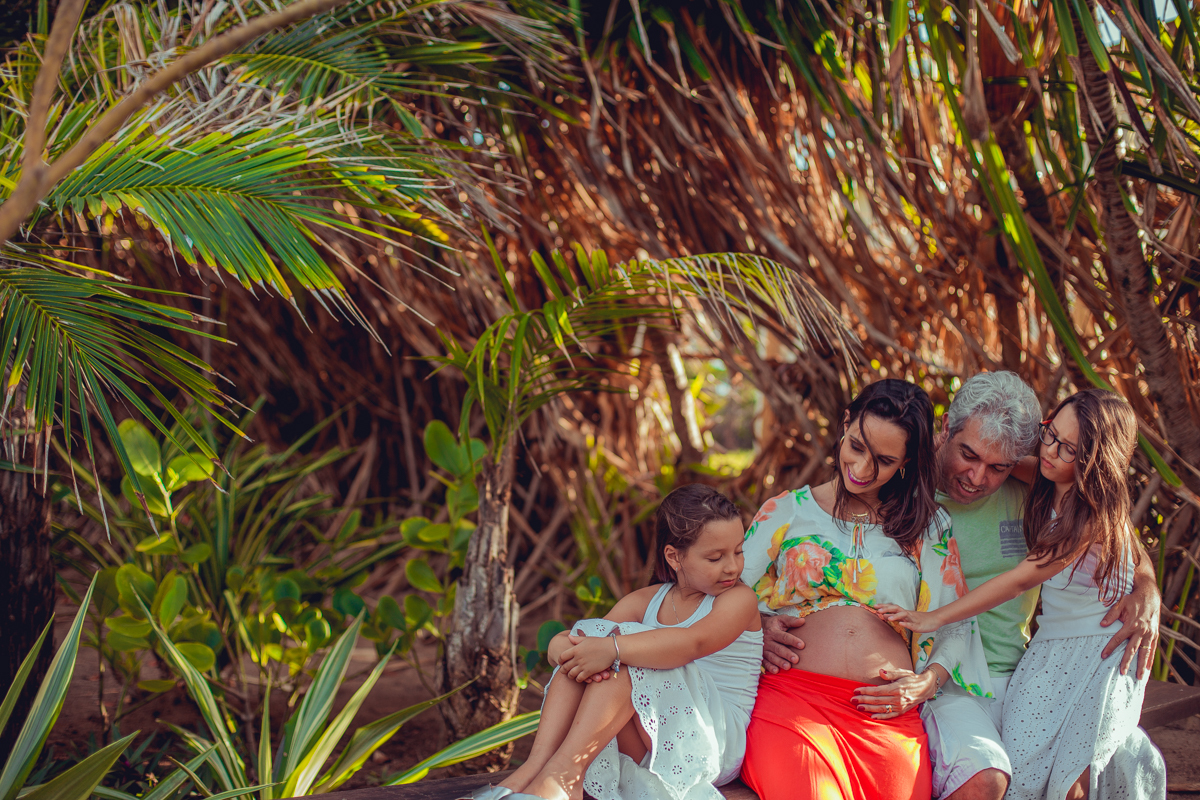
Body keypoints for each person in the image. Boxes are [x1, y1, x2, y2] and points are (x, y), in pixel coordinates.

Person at [760, 371, 1162, 800]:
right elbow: (812, 547)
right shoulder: (897, 481)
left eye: (998, 467)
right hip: (931, 679)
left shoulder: (1037, 484)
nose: (977, 477)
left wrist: (1146, 586)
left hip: (1016, 676)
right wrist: (764, 622)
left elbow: (1106, 520)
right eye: (967, 455)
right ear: (946, 426)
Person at [880, 389, 1167, 800]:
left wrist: (1148, 588)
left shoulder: (1082, 506)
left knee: (1071, 779)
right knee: (1026, 772)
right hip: (1041, 653)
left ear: (1092, 462)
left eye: (1069, 449)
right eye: (1050, 435)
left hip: (1099, 649)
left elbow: (1022, 579)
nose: (1050, 452)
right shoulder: (1044, 474)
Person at [737, 379, 992, 800]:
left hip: (887, 715)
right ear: (846, 423)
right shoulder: (785, 512)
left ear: (906, 462)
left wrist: (926, 683)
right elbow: (724, 594)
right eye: (857, 446)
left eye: (885, 460)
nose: (862, 469)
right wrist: (758, 626)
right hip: (793, 701)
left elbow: (955, 622)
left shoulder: (928, 528)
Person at [459, 484, 762, 800]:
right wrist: (561, 648)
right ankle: (535, 768)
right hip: (648, 737)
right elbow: (585, 639)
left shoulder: (738, 599)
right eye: (716, 557)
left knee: (624, 648)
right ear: (674, 556)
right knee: (602, 642)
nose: (732, 566)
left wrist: (612, 649)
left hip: (712, 743)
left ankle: (564, 777)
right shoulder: (645, 600)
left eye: (738, 552)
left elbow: (693, 643)